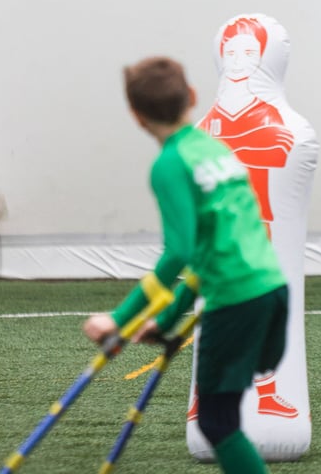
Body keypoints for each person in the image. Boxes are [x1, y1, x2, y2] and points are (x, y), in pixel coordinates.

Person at [82, 56, 289, 472]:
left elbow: (180, 251)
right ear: (192, 97)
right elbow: (206, 253)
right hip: (272, 291)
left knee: (217, 421)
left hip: (233, 301)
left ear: (137, 117)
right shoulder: (215, 149)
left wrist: (119, 319)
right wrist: (171, 318)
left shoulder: (170, 165)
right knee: (231, 404)